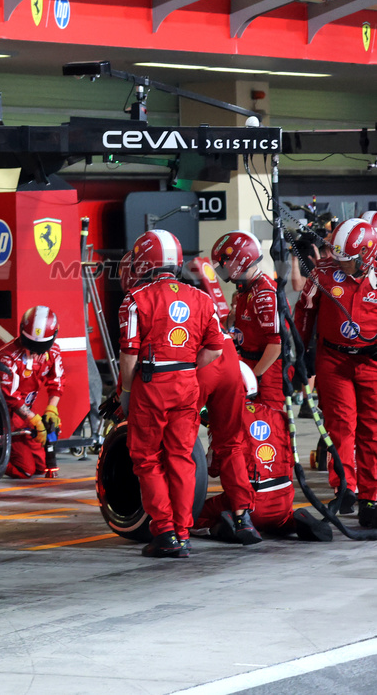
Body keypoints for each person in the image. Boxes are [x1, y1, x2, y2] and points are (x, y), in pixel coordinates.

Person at [119, 229, 225, 558]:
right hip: (187, 382)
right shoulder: (202, 298)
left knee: (147, 459)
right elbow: (216, 349)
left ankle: (164, 531)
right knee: (181, 459)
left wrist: (125, 390)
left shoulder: (135, 299)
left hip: (152, 386)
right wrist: (187, 365)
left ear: (145, 261)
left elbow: (129, 356)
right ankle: (183, 531)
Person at [294, 218, 377, 523]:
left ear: (366, 255)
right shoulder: (324, 273)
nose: (342, 264)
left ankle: (372, 497)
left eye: (349, 260)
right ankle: (345, 487)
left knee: (372, 430)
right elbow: (304, 312)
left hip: (372, 363)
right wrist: (300, 354)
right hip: (333, 360)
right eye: (339, 258)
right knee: (340, 427)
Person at [187, 244, 261, 545]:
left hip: (201, 360)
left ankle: (177, 524)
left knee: (180, 440)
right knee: (231, 443)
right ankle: (243, 517)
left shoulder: (145, 298)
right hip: (229, 358)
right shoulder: (205, 291)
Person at [197, 397, 332, 542]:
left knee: (195, 515)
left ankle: (225, 527)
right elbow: (291, 459)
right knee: (279, 521)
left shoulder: (226, 420)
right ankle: (293, 522)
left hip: (248, 503)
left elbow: (212, 469)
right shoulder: (278, 415)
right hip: (283, 500)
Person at [213, 231, 284, 408]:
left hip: (267, 371)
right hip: (248, 364)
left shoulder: (264, 294)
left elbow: (276, 345)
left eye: (224, 263)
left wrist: (254, 376)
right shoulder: (245, 292)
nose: (222, 269)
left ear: (240, 260)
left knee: (268, 426)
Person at [0, 306, 64, 479]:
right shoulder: (7, 356)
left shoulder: (53, 352)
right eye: (30, 345)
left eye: (40, 347)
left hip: (27, 419)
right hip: (6, 417)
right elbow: (10, 397)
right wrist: (33, 419)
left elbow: (57, 382)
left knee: (41, 467)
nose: (34, 352)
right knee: (25, 470)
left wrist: (51, 410)